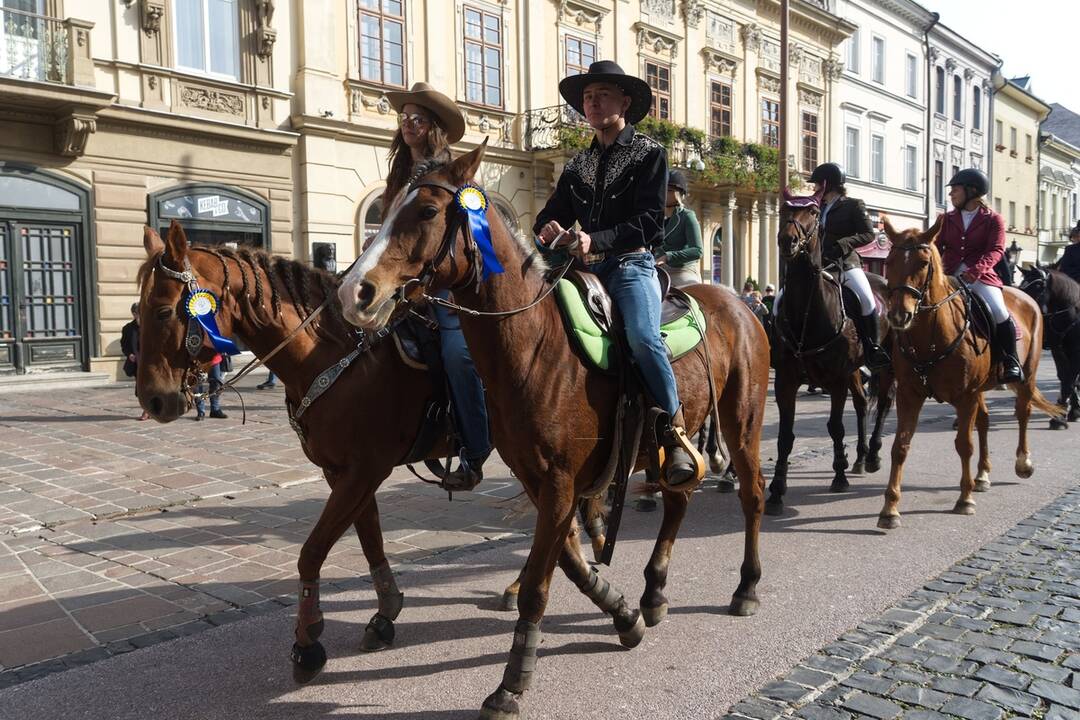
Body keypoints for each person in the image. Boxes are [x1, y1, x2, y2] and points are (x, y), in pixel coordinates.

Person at [534, 60, 702, 486]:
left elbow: (650, 223)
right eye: (587, 97)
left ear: (624, 102)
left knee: (643, 339)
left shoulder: (649, 153)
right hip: (580, 270)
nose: (592, 103)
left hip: (631, 265)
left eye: (602, 95)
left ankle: (674, 432)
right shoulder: (576, 166)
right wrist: (547, 229)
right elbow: (549, 215)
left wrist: (598, 240)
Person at [382, 82, 491, 491]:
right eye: (404, 118)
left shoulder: (454, 174)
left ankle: (474, 450)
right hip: (396, 281)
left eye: (417, 119)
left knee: (458, 355)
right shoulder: (398, 175)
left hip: (443, 289)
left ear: (434, 128)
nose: (408, 125)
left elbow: (479, 239)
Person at [936, 168, 1023, 383]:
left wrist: (976, 270)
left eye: (955, 190)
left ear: (971, 190)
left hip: (980, 277)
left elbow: (996, 250)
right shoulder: (946, 219)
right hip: (948, 276)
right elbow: (935, 247)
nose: (951, 195)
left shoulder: (993, 219)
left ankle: (1011, 360)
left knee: (999, 311)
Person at [808, 162, 890, 371]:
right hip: (821, 265)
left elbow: (868, 234)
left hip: (845, 264)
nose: (814, 189)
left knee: (866, 300)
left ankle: (873, 347)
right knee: (786, 295)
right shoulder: (817, 208)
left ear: (829, 185)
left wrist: (844, 244)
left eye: (817, 185)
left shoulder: (853, 205)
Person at [656, 169, 703, 287]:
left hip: (681, 271)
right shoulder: (655, 216)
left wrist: (668, 257)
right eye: (663, 188)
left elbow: (697, 250)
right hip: (656, 269)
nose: (664, 193)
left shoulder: (687, 216)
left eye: (669, 190)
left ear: (679, 194)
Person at [120, 303, 150, 421]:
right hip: (137, 362)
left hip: (150, 362)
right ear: (134, 314)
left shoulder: (149, 327)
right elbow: (124, 345)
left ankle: (147, 411)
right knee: (141, 387)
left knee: (149, 386)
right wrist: (129, 354)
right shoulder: (128, 328)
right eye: (139, 313)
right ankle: (148, 409)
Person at [194, 353, 228, 420]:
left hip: (215, 360)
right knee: (198, 385)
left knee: (216, 385)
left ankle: (215, 410)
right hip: (199, 361)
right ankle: (201, 412)